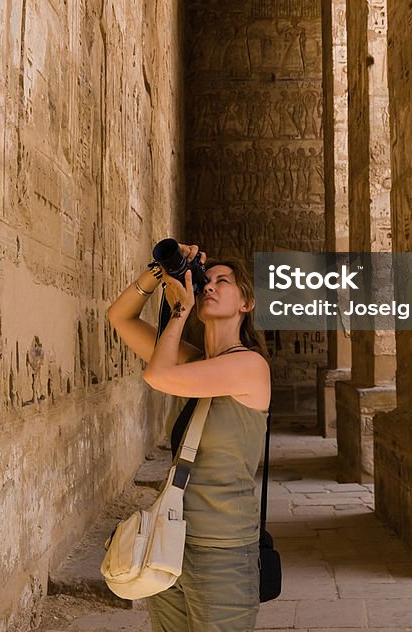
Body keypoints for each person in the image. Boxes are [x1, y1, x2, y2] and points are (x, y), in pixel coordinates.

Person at [107, 243, 271, 632]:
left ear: (246, 303)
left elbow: (157, 375)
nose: (209, 286)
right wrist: (159, 272)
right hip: (170, 541)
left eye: (222, 281)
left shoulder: (250, 366)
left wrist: (180, 308)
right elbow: (120, 316)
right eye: (205, 280)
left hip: (223, 550)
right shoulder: (195, 361)